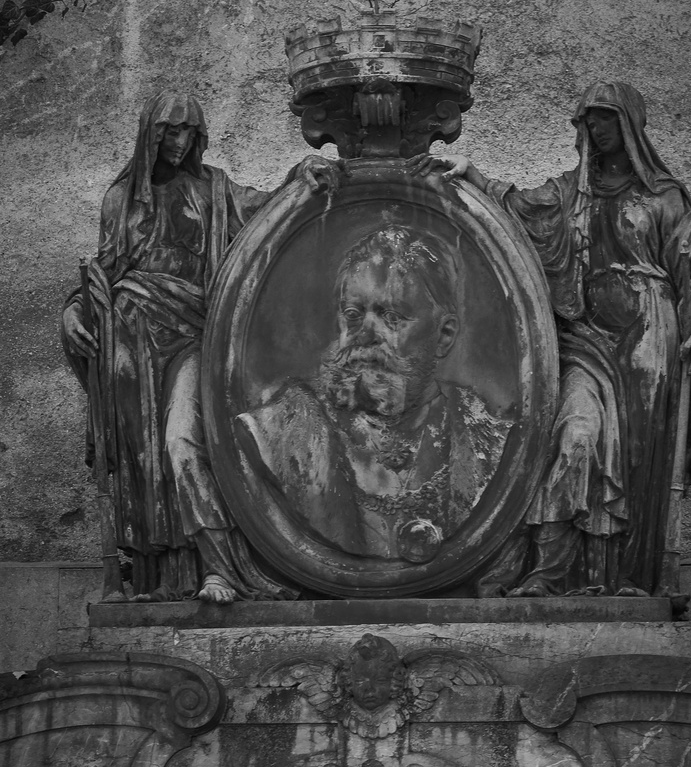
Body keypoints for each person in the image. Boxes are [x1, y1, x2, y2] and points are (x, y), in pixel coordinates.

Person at [413, 80, 691, 597]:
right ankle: (551, 572)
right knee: (576, 432)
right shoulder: (568, 194)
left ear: (630, 125)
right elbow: (521, 211)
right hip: (584, 335)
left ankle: (628, 580)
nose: (595, 130)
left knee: (639, 457)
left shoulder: (663, 198)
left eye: (605, 119)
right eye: (589, 121)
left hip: (649, 337)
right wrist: (475, 177)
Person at [62, 89, 338, 603]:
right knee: (146, 461)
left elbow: (263, 210)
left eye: (187, 131)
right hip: (131, 339)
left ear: (198, 137)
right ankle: (167, 578)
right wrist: (72, 312)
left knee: (181, 442)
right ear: (150, 134)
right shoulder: (120, 200)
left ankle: (218, 567)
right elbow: (102, 272)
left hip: (193, 335)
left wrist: (301, 175)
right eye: (168, 130)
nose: (177, 140)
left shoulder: (214, 190)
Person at [235, 226, 514, 562]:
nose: (365, 334)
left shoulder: (492, 440)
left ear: (444, 335)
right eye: (352, 315)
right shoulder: (274, 434)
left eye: (391, 317)